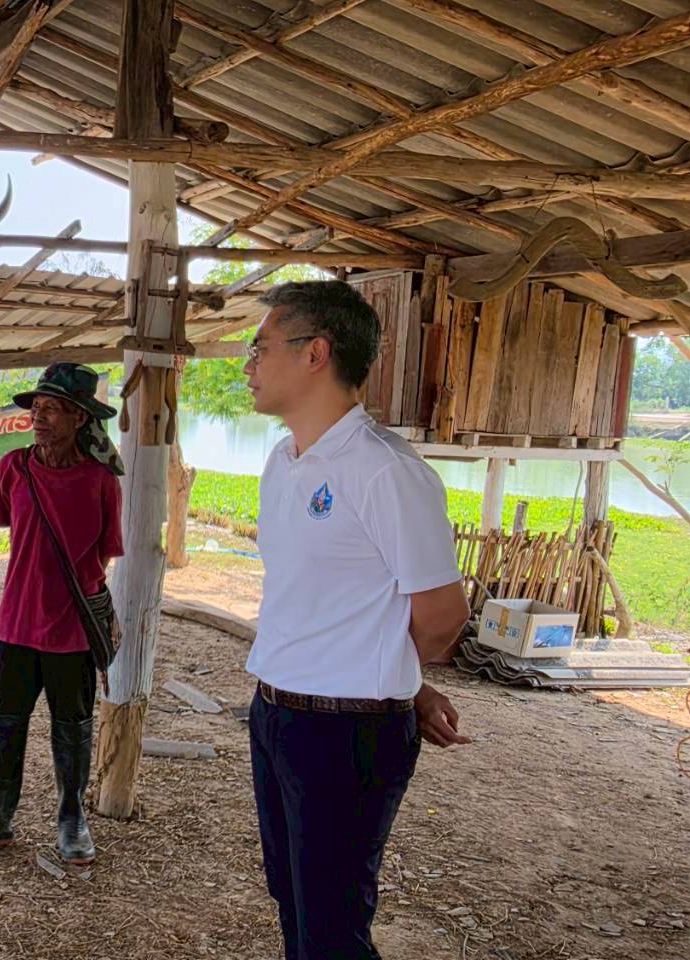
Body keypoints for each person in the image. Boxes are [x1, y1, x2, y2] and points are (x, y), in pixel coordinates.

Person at [242, 282, 474, 960]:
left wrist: (391, 680)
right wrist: (403, 678)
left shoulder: (383, 469)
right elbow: (335, 600)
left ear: (314, 353)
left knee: (332, 929)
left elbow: (442, 613)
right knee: (292, 902)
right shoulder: (283, 461)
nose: (248, 366)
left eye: (259, 348)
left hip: (344, 733)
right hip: (275, 712)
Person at [0, 362, 124, 865]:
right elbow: (16, 535)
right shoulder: (13, 469)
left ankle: (72, 820)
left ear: (81, 418)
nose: (38, 418)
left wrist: (70, 597)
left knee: (73, 726)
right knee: (2, 722)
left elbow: (103, 556)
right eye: (36, 408)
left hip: (73, 630)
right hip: (17, 622)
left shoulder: (101, 481)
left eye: (53, 409)